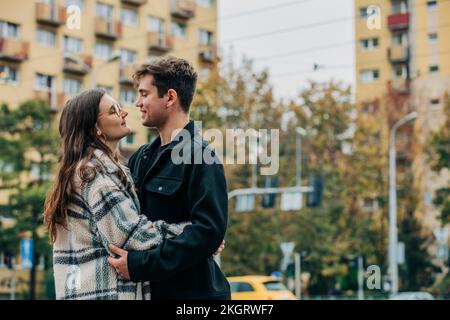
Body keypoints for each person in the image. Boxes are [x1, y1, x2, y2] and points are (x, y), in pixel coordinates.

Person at [43, 89, 211, 299]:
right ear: (96, 129)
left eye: (120, 107)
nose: (124, 113)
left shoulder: (89, 171)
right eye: (114, 110)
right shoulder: (94, 176)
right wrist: (201, 236)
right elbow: (135, 236)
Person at [108, 56, 231, 300]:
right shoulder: (140, 157)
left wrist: (140, 264)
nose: (138, 103)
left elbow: (208, 233)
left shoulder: (201, 156)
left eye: (144, 94)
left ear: (170, 98)